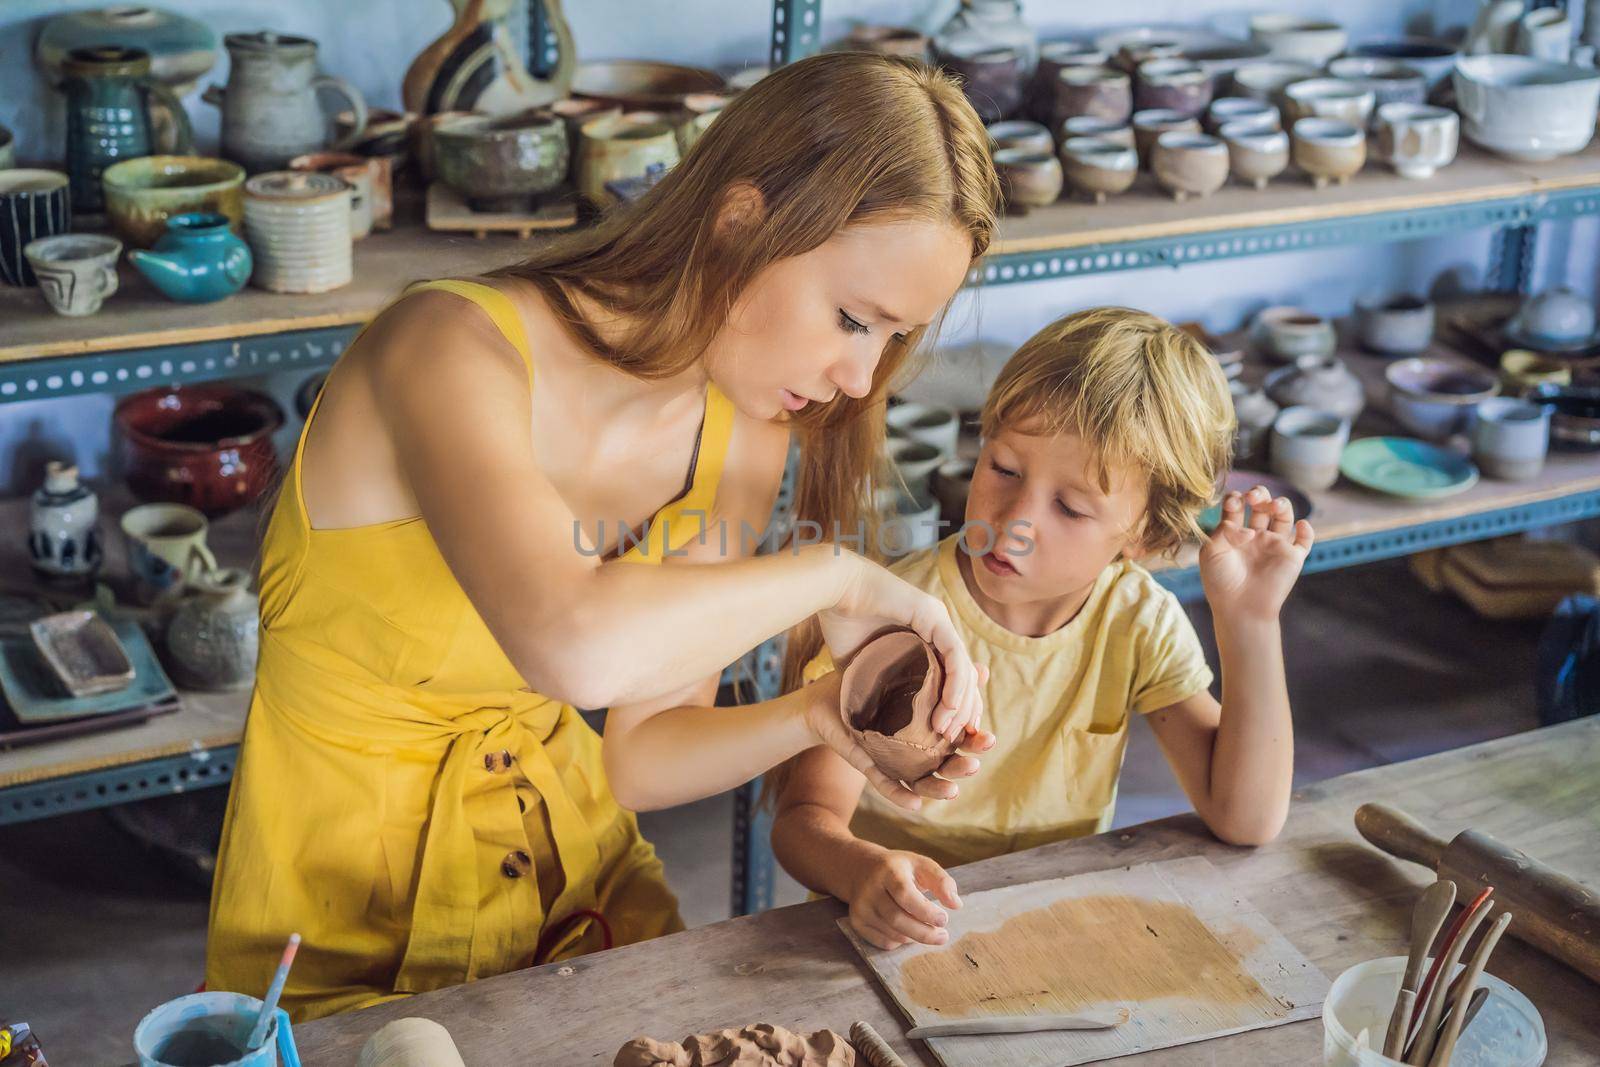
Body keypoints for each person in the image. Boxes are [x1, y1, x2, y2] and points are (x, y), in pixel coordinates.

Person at [205, 52, 999, 1019]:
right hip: (334, 913)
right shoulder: (446, 347)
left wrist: (820, 716)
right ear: (740, 218)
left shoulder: (742, 425)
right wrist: (835, 576)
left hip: (571, 882)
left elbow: (643, 753)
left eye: (890, 340)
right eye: (850, 318)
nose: (856, 378)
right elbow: (574, 643)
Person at [771, 308, 1314, 950]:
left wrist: (1249, 620)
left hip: (1046, 932)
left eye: (1071, 507)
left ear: (1144, 535)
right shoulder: (892, 610)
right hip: (890, 936)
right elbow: (802, 823)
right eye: (1003, 468)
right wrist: (860, 870)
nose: (1016, 521)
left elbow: (1245, 819)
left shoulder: (1137, 621)